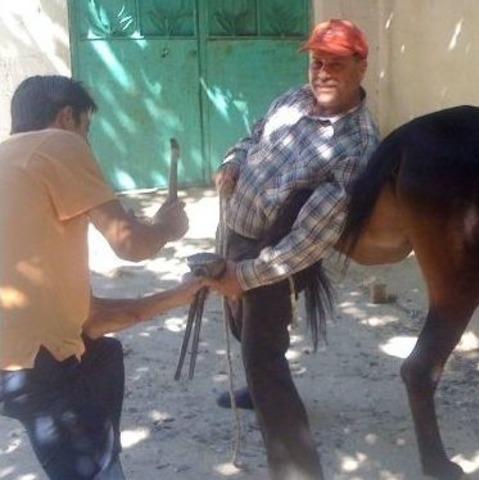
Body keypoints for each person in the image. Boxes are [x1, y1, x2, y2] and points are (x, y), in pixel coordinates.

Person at [0, 75, 198, 479]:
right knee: (98, 468)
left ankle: (100, 446)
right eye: (87, 131)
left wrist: (186, 293)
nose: (87, 144)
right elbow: (132, 245)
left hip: (18, 361)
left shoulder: (13, 166)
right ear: (67, 118)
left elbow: (90, 320)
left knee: (102, 357)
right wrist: (165, 228)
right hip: (32, 371)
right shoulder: (60, 143)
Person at [208, 19, 379, 479]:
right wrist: (231, 163)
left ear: (361, 67)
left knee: (265, 358)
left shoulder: (356, 149)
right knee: (244, 330)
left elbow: (306, 243)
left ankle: (298, 468)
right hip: (236, 233)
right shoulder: (291, 99)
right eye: (317, 61)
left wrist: (241, 276)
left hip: (271, 254)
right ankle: (254, 390)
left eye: (336, 64)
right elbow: (253, 137)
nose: (322, 72)